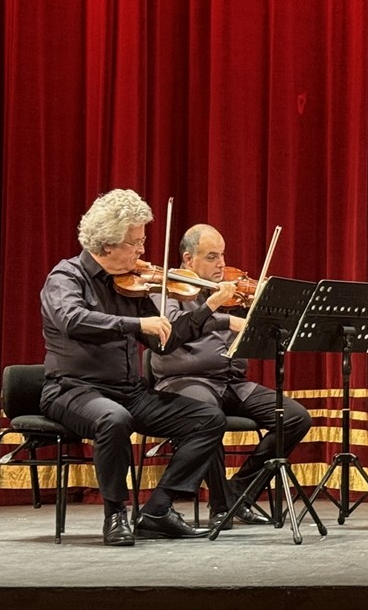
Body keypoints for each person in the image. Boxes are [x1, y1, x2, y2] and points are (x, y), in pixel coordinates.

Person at [39, 189, 233, 546]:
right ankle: (116, 514)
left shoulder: (134, 285)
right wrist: (134, 325)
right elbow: (73, 320)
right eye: (136, 242)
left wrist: (208, 309)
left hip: (128, 392)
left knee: (208, 419)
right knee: (113, 419)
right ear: (108, 244)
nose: (143, 251)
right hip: (73, 390)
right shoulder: (66, 277)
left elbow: (166, 340)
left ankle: (158, 509)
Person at [151, 224, 313, 529]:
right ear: (188, 259)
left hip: (231, 382)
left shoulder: (229, 288)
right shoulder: (166, 288)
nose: (222, 264)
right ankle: (221, 505)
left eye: (222, 255)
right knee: (207, 415)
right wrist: (219, 311)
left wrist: (268, 306)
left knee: (294, 417)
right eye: (212, 257)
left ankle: (240, 493)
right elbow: (170, 328)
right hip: (186, 381)